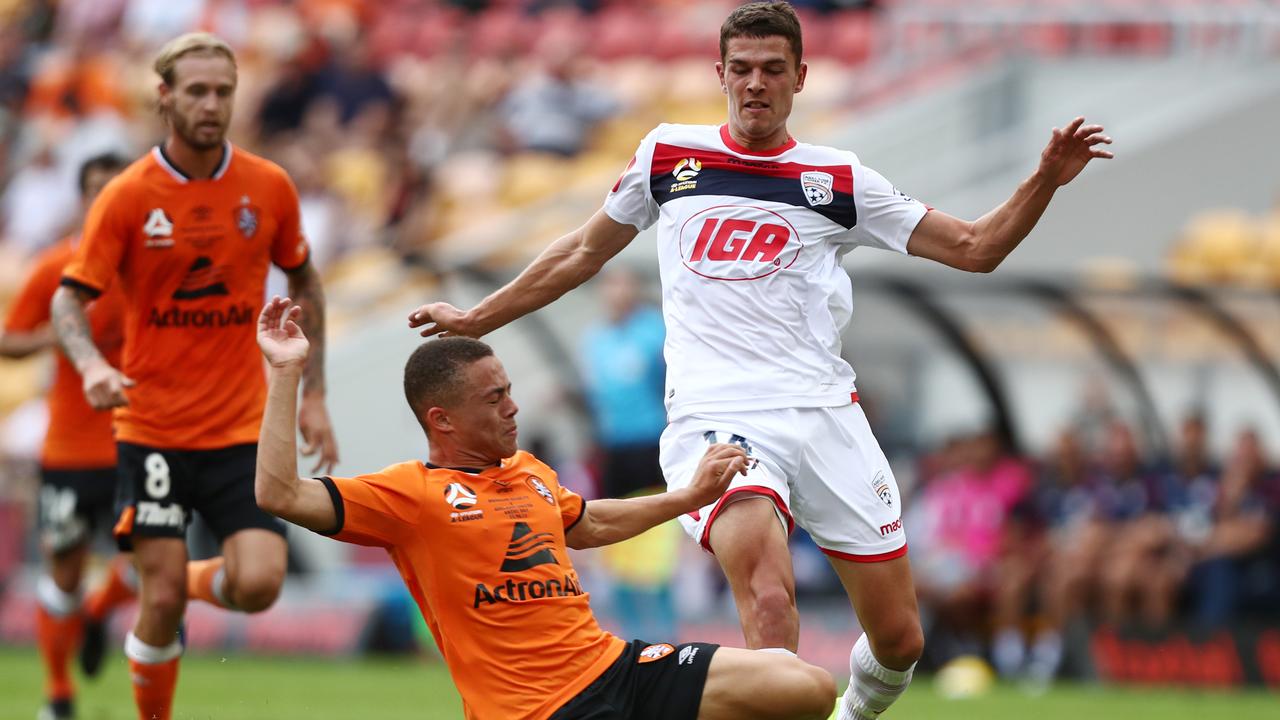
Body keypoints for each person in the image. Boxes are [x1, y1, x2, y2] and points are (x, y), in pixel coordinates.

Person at [406, 3, 1113, 718]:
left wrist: (1046, 179)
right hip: (718, 417)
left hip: (824, 414)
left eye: (772, 70)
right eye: (740, 70)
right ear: (719, 74)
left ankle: (851, 713)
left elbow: (974, 249)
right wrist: (474, 316)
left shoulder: (836, 178)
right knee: (768, 595)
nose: (755, 84)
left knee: (899, 640)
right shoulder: (666, 157)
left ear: (800, 78)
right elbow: (582, 252)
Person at [252, 296, 836, 720]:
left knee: (802, 686)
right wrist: (285, 374)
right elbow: (279, 494)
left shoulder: (529, 472)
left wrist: (687, 498)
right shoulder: (410, 495)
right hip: (536, 711)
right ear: (442, 420)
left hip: (615, 667)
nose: (513, 407)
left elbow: (589, 523)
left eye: (508, 390)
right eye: (495, 397)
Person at [49, 33, 337, 720]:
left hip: (241, 428)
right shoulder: (126, 196)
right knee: (164, 598)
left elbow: (306, 279)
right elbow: (69, 296)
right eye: (197, 91)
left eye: (223, 92)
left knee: (261, 584)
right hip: (152, 430)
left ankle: (179, 576)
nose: (212, 105)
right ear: (165, 97)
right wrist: (91, 363)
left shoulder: (267, 186)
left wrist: (315, 393)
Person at [1, 152, 138, 720]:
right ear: (83, 200)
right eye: (96, 191)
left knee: (150, 564)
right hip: (71, 449)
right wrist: (60, 338)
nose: (105, 201)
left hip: (139, 440)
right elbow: (10, 340)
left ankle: (99, 611)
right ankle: (58, 694)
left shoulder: (155, 270)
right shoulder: (57, 266)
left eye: (116, 191)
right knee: (63, 568)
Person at [580, 266, 677, 642]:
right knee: (615, 542)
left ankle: (667, 633)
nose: (615, 292)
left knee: (657, 543)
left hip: (650, 447)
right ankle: (630, 635)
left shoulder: (655, 332)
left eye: (623, 282)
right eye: (609, 284)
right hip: (614, 450)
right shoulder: (595, 339)